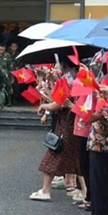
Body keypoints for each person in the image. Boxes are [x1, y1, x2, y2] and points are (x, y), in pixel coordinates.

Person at [30, 60, 80, 200]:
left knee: (53, 155)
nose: (57, 69)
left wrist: (44, 107)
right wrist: (49, 84)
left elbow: (59, 103)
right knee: (75, 159)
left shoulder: (69, 81)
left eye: (59, 66)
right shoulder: (74, 80)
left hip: (67, 123)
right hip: (69, 122)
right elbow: (56, 98)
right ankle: (82, 191)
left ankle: (46, 190)